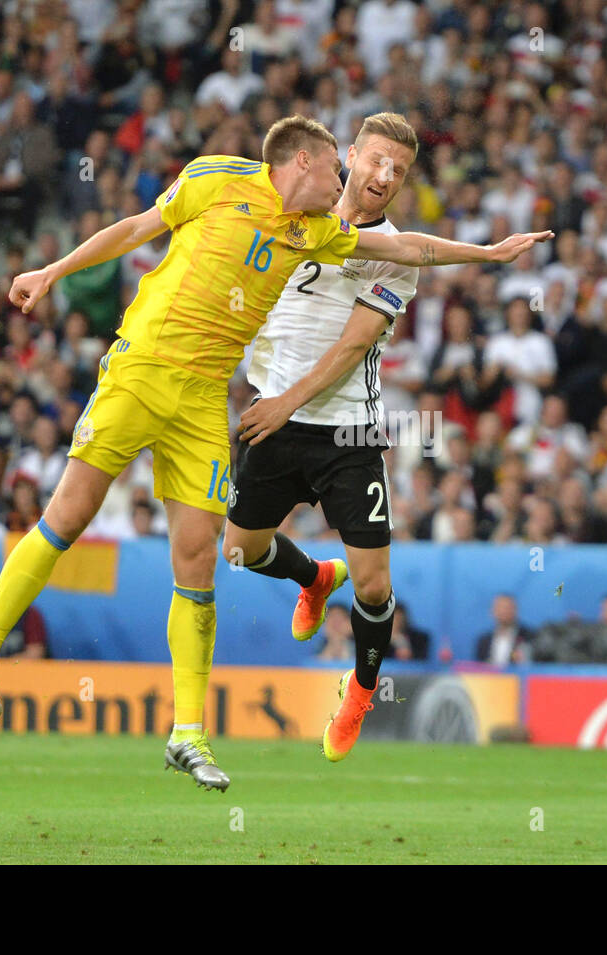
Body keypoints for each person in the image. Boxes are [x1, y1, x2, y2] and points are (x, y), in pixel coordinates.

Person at [0, 115, 551, 793]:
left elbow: (407, 254)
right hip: (153, 374)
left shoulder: (324, 233)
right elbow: (138, 227)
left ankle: (199, 729)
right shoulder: (217, 180)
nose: (357, 182)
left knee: (211, 558)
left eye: (392, 171)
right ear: (309, 162)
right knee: (78, 514)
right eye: (346, 168)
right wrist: (55, 269)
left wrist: (490, 254)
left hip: (256, 410)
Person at [222, 113, 420, 761]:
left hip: (347, 431)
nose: (385, 176)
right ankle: (311, 577)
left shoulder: (396, 253)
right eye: (378, 161)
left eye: (399, 169)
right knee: (241, 551)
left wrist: (283, 403)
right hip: (271, 420)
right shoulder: (295, 220)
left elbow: (352, 344)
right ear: (353, 156)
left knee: (372, 585)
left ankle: (360, 693)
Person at [474, 593, 533, 666]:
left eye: (508, 608)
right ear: (492, 611)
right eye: (500, 607)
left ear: (515, 610)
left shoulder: (528, 636)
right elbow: (478, 668)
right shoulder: (484, 641)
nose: (504, 611)